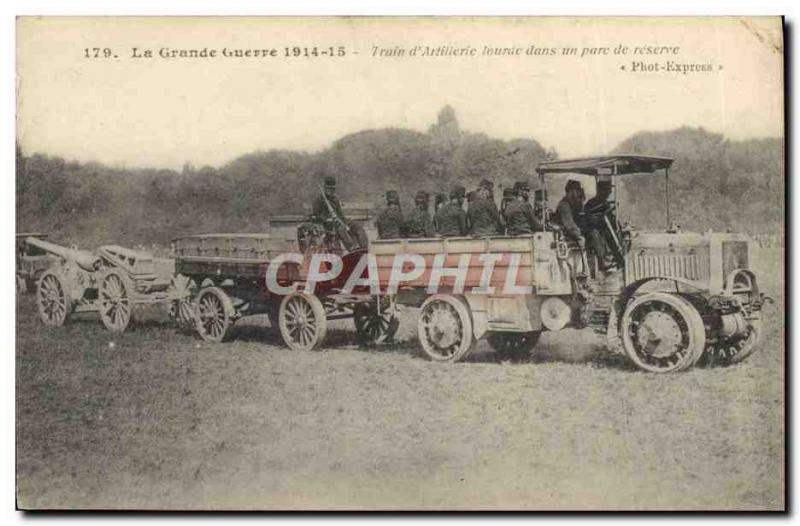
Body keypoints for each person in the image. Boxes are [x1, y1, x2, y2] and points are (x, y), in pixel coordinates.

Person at [310, 176, 367, 251]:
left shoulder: (335, 199)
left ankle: (364, 247)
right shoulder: (319, 200)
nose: (331, 191)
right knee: (340, 226)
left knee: (357, 225)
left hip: (338, 220)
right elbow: (315, 215)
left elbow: (340, 213)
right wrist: (326, 219)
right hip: (327, 224)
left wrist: (346, 221)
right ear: (325, 188)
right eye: (329, 188)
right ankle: (351, 247)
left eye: (332, 189)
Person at [582, 178, 617, 269]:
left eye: (609, 191)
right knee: (595, 233)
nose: (608, 193)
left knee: (611, 233)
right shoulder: (591, 203)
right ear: (600, 190)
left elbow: (610, 217)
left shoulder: (605, 203)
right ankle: (603, 260)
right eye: (606, 190)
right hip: (589, 230)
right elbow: (586, 217)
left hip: (601, 228)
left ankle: (615, 256)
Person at [553, 179, 586, 248]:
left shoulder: (573, 204)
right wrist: (579, 236)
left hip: (570, 233)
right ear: (570, 191)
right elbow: (570, 225)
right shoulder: (564, 205)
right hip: (565, 235)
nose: (579, 193)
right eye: (577, 190)